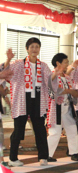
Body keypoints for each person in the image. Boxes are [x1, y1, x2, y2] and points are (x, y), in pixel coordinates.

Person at [4, 38, 51, 167]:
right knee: (18, 129)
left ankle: (43, 157)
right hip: (22, 99)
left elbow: (50, 81)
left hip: (38, 99)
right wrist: (8, 59)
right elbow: (5, 71)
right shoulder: (19, 63)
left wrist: (56, 74)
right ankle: (12, 158)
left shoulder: (43, 65)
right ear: (27, 49)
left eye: (37, 46)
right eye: (32, 47)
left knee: (40, 129)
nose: (34, 49)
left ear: (39, 49)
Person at [47, 53, 78, 162]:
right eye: (66, 62)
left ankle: (74, 152)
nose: (67, 64)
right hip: (55, 109)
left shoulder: (66, 77)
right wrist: (70, 91)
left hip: (67, 108)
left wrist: (75, 93)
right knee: (54, 133)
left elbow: (70, 90)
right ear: (58, 63)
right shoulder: (51, 75)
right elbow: (53, 89)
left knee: (72, 130)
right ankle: (46, 154)